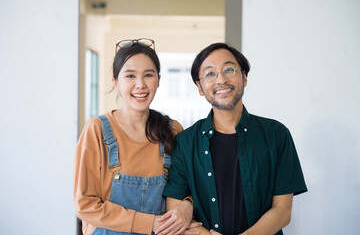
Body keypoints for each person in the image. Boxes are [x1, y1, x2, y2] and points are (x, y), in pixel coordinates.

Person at [162, 43, 308, 235]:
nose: (221, 79)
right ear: (199, 87)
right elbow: (175, 208)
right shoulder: (186, 142)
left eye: (229, 69)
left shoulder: (276, 134)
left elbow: (283, 211)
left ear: (244, 77)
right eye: (210, 74)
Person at [73, 38, 198, 235]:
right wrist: (151, 224)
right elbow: (85, 205)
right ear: (115, 82)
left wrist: (188, 206)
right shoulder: (96, 130)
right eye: (130, 76)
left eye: (148, 75)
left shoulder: (172, 130)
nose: (140, 85)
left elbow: (189, 188)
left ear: (158, 80)